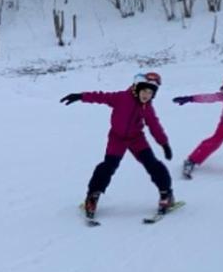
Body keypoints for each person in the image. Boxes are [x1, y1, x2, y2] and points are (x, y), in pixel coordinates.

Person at [61, 72, 175, 219]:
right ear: (137, 88)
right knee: (108, 166)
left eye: (150, 93)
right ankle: (92, 196)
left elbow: (154, 126)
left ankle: (166, 194)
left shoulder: (147, 107)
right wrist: (80, 96)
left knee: (152, 164)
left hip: (136, 139)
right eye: (144, 91)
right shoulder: (121, 98)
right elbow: (100, 97)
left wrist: (164, 143)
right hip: (117, 138)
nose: (147, 95)